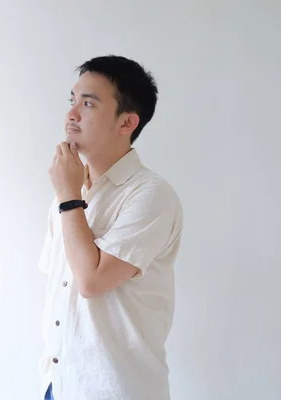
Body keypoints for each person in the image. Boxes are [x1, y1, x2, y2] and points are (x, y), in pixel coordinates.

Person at [38, 55, 184, 400]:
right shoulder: (70, 190)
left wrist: (69, 196)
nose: (72, 114)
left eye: (88, 103)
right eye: (72, 100)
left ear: (126, 122)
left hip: (114, 389)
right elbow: (61, 287)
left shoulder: (151, 194)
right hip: (58, 385)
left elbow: (92, 282)